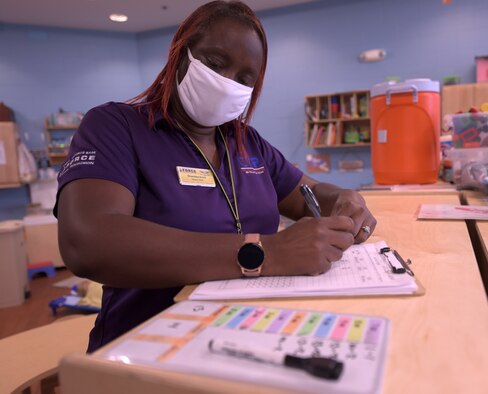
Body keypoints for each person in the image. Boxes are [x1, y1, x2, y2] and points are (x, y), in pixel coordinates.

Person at [55, 0, 376, 353]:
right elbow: (87, 241)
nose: (227, 83)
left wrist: (345, 199)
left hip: (249, 339)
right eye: (215, 63)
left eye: (244, 78)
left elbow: (312, 194)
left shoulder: (247, 142)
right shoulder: (116, 127)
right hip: (143, 351)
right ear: (180, 56)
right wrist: (265, 253)